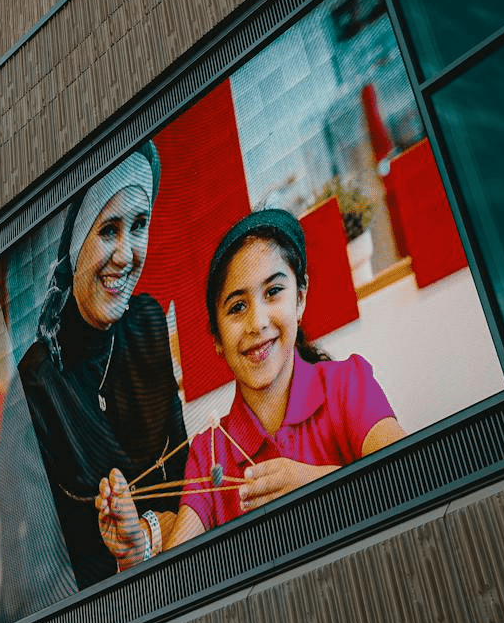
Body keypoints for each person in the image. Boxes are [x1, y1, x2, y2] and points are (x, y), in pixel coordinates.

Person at [96, 207, 404, 566]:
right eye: (237, 307)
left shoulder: (347, 385)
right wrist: (138, 550)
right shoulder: (208, 454)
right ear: (217, 339)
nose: (257, 322)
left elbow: (408, 473)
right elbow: (179, 567)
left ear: (300, 299)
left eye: (273, 292)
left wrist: (316, 484)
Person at [0, 142, 187, 609]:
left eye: (138, 226)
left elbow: (185, 476)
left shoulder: (147, 323)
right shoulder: (36, 386)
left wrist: (154, 538)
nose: (125, 254)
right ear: (76, 242)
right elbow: (38, 579)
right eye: (108, 230)